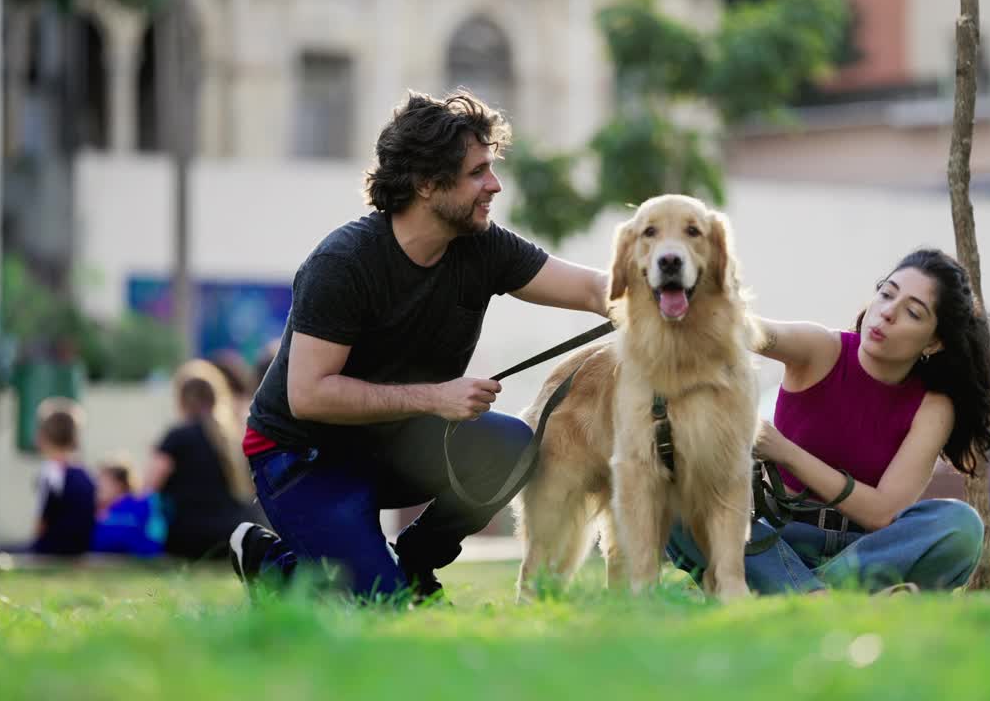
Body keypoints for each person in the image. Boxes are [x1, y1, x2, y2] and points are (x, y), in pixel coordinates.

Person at [229, 89, 609, 602]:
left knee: (511, 445)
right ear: (428, 183)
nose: (494, 185)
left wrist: (679, 296)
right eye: (478, 172)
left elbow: (592, 290)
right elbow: (310, 395)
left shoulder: (483, 246)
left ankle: (414, 567)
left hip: (390, 441)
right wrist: (435, 397)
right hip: (303, 454)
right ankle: (269, 562)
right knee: (376, 607)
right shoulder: (344, 263)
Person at [668, 248, 990, 595]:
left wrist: (784, 451)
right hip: (778, 540)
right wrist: (675, 302)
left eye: (913, 312)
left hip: (867, 551)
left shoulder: (934, 407)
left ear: (933, 342)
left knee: (961, 526)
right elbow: (752, 331)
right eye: (887, 294)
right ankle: (832, 595)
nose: (888, 313)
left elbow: (882, 513)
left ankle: (797, 592)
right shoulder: (821, 348)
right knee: (673, 488)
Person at [144, 370, 260, 560]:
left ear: (182, 400)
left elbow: (149, 486)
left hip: (188, 538)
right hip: (231, 537)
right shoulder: (233, 438)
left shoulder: (177, 436)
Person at [26, 398, 97, 556]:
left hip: (52, 549)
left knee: (0, 551)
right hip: (80, 548)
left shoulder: (50, 472)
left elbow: (42, 522)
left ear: (42, 437)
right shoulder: (85, 474)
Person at [91, 460, 167, 557]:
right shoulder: (96, 507)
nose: (98, 486)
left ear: (119, 484)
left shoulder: (140, 503)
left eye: (104, 481)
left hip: (136, 560)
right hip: (100, 560)